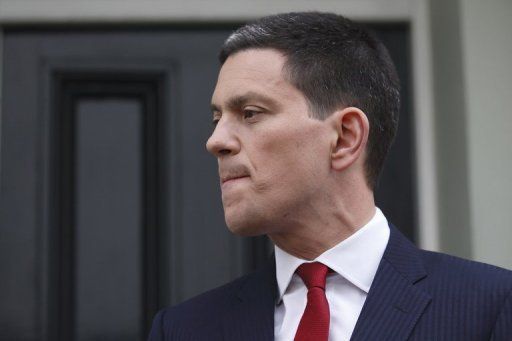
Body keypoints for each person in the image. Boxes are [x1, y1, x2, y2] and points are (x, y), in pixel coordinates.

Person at [148, 12, 512, 340]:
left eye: (250, 113)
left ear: (345, 137)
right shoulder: (184, 329)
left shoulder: (491, 307)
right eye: (217, 119)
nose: (216, 141)